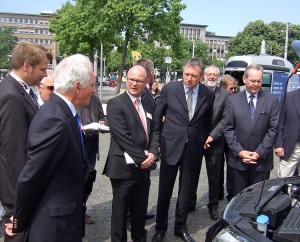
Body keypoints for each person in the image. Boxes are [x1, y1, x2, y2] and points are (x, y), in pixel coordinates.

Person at [5, 54, 95, 241]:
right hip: (54, 227)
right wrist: (18, 222)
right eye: (92, 85)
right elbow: (31, 175)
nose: (94, 90)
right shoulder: (56, 119)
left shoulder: (62, 112)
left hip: (64, 218)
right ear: (77, 87)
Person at [151, 58, 214, 242]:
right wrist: (158, 143)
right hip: (170, 146)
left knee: (186, 191)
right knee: (164, 191)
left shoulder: (207, 93)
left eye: (193, 76)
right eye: (186, 74)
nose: (188, 78)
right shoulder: (170, 89)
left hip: (193, 149)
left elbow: (207, 121)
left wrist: (200, 139)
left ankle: (180, 226)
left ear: (201, 76)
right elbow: (157, 119)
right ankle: (160, 228)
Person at [0, 42, 49, 242]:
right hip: (16, 187)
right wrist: (26, 189)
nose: (45, 74)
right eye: (42, 69)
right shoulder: (11, 95)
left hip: (19, 184)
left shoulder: (20, 90)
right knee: (17, 234)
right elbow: (13, 149)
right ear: (26, 65)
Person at [103, 65, 157, 242]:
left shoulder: (150, 102)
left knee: (140, 210)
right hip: (122, 168)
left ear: (146, 81)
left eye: (139, 81)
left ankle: (139, 238)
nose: (134, 84)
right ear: (126, 78)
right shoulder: (115, 104)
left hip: (144, 168)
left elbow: (156, 130)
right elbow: (122, 136)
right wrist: (142, 158)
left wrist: (153, 153)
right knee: (120, 212)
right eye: (131, 79)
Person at [223, 64, 280, 196]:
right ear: (244, 79)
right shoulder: (233, 100)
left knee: (258, 199)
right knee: (238, 198)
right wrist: (240, 151)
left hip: (261, 162)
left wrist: (259, 153)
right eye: (252, 80)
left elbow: (273, 129)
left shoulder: (271, 100)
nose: (256, 84)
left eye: (259, 81)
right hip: (238, 161)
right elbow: (228, 128)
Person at [189, 65, 229, 220]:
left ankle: (213, 206)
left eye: (215, 74)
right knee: (192, 174)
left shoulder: (225, 95)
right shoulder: (196, 91)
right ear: (203, 75)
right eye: (209, 74)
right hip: (196, 140)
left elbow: (226, 119)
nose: (212, 77)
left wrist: (212, 136)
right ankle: (190, 202)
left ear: (219, 77)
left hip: (215, 141)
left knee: (214, 177)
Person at [79, 93, 105, 224]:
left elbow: (101, 115)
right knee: (77, 180)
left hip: (92, 144)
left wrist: (102, 122)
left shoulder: (95, 99)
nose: (93, 88)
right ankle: (75, 212)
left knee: (89, 178)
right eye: (91, 84)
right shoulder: (75, 96)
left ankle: (82, 211)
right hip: (79, 143)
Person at [219, 74, 238, 202]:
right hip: (219, 138)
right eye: (230, 89)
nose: (233, 91)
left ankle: (231, 192)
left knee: (232, 167)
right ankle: (218, 192)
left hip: (233, 139)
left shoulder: (237, 99)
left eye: (234, 89)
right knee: (218, 168)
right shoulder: (217, 98)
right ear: (223, 88)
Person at [274, 88, 300, 177]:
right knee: (283, 179)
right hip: (291, 146)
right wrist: (278, 144)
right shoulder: (288, 97)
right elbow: (280, 122)